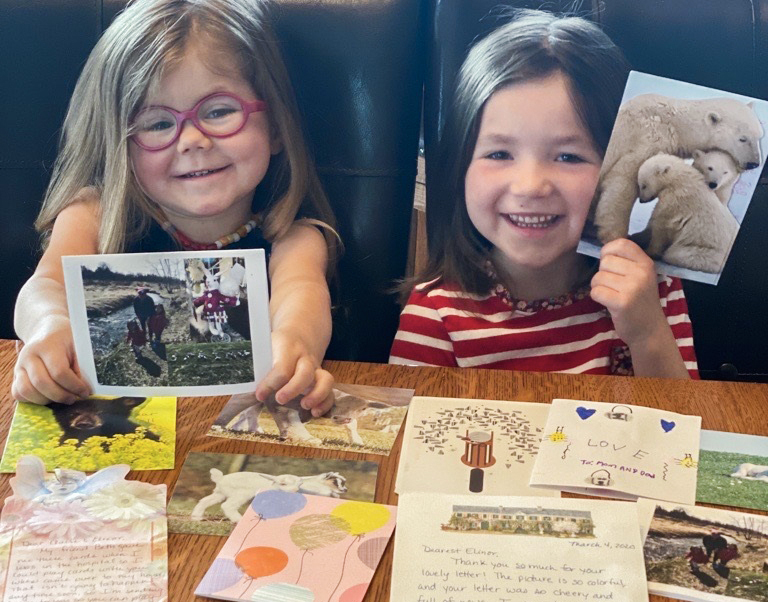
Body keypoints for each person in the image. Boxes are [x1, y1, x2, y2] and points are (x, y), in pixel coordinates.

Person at [13, 0, 337, 413]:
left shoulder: (293, 236)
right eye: (158, 123)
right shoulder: (92, 215)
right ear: (120, 147)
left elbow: (301, 293)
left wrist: (294, 349)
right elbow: (45, 287)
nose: (191, 140)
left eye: (219, 111)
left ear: (275, 128)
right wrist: (49, 326)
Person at [390, 10, 698, 378]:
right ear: (461, 166)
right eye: (499, 154)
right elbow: (414, 434)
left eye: (569, 156)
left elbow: (682, 428)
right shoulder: (436, 315)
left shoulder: (650, 290)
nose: (531, 186)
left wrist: (647, 333)